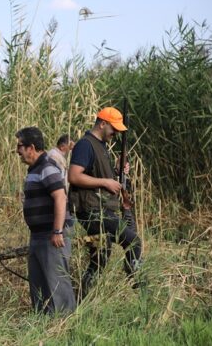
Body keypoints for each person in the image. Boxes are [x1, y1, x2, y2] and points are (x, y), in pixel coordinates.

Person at [68, 107, 143, 299]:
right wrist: (105, 182)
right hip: (93, 211)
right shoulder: (85, 145)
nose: (116, 133)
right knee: (133, 241)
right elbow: (74, 176)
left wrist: (117, 171)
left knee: (100, 258)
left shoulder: (100, 145)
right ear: (102, 123)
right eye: (113, 128)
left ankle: (82, 300)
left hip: (98, 208)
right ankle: (139, 289)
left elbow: (99, 175)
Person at [16, 127, 77, 315]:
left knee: (57, 283)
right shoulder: (35, 169)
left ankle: (66, 325)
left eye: (20, 146)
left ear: (31, 147)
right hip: (38, 235)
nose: (17, 151)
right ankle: (44, 328)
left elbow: (60, 197)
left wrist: (57, 231)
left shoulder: (47, 167)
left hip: (51, 236)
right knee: (39, 285)